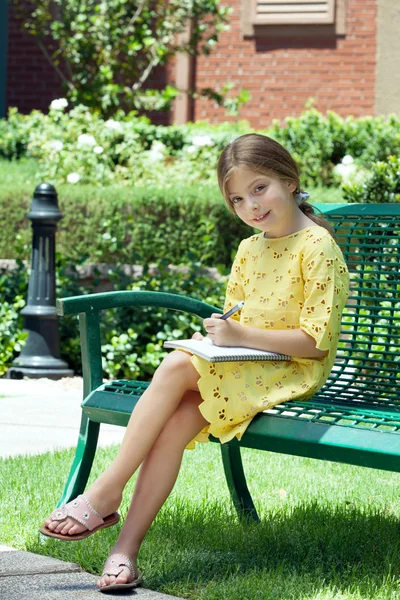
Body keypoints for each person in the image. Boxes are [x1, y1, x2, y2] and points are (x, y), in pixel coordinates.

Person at [40, 133, 349, 593]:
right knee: (179, 417)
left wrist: (239, 335)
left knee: (176, 367)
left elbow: (316, 343)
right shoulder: (250, 249)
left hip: (293, 369)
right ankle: (124, 551)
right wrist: (223, 334)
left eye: (260, 189)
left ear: (289, 179)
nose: (251, 206)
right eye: (238, 199)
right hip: (248, 365)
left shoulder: (317, 246)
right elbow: (237, 317)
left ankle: (104, 493)